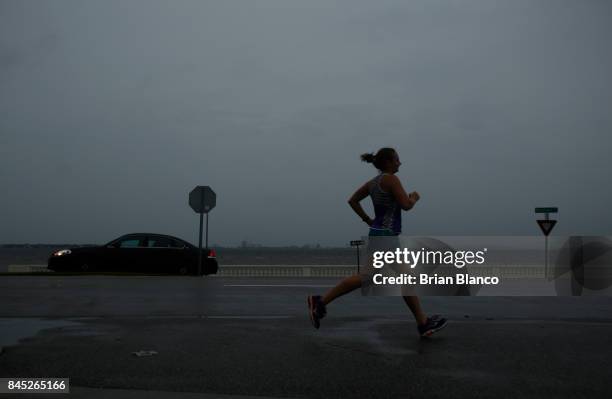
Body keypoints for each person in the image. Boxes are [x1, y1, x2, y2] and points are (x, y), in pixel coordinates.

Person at [307, 147, 448, 337]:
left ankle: (423, 323)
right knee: (367, 276)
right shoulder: (391, 179)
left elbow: (352, 201)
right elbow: (406, 206)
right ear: (388, 162)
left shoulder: (373, 183)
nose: (400, 163)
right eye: (397, 159)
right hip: (386, 237)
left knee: (405, 278)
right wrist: (414, 198)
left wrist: (368, 220)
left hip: (381, 234)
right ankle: (320, 302)